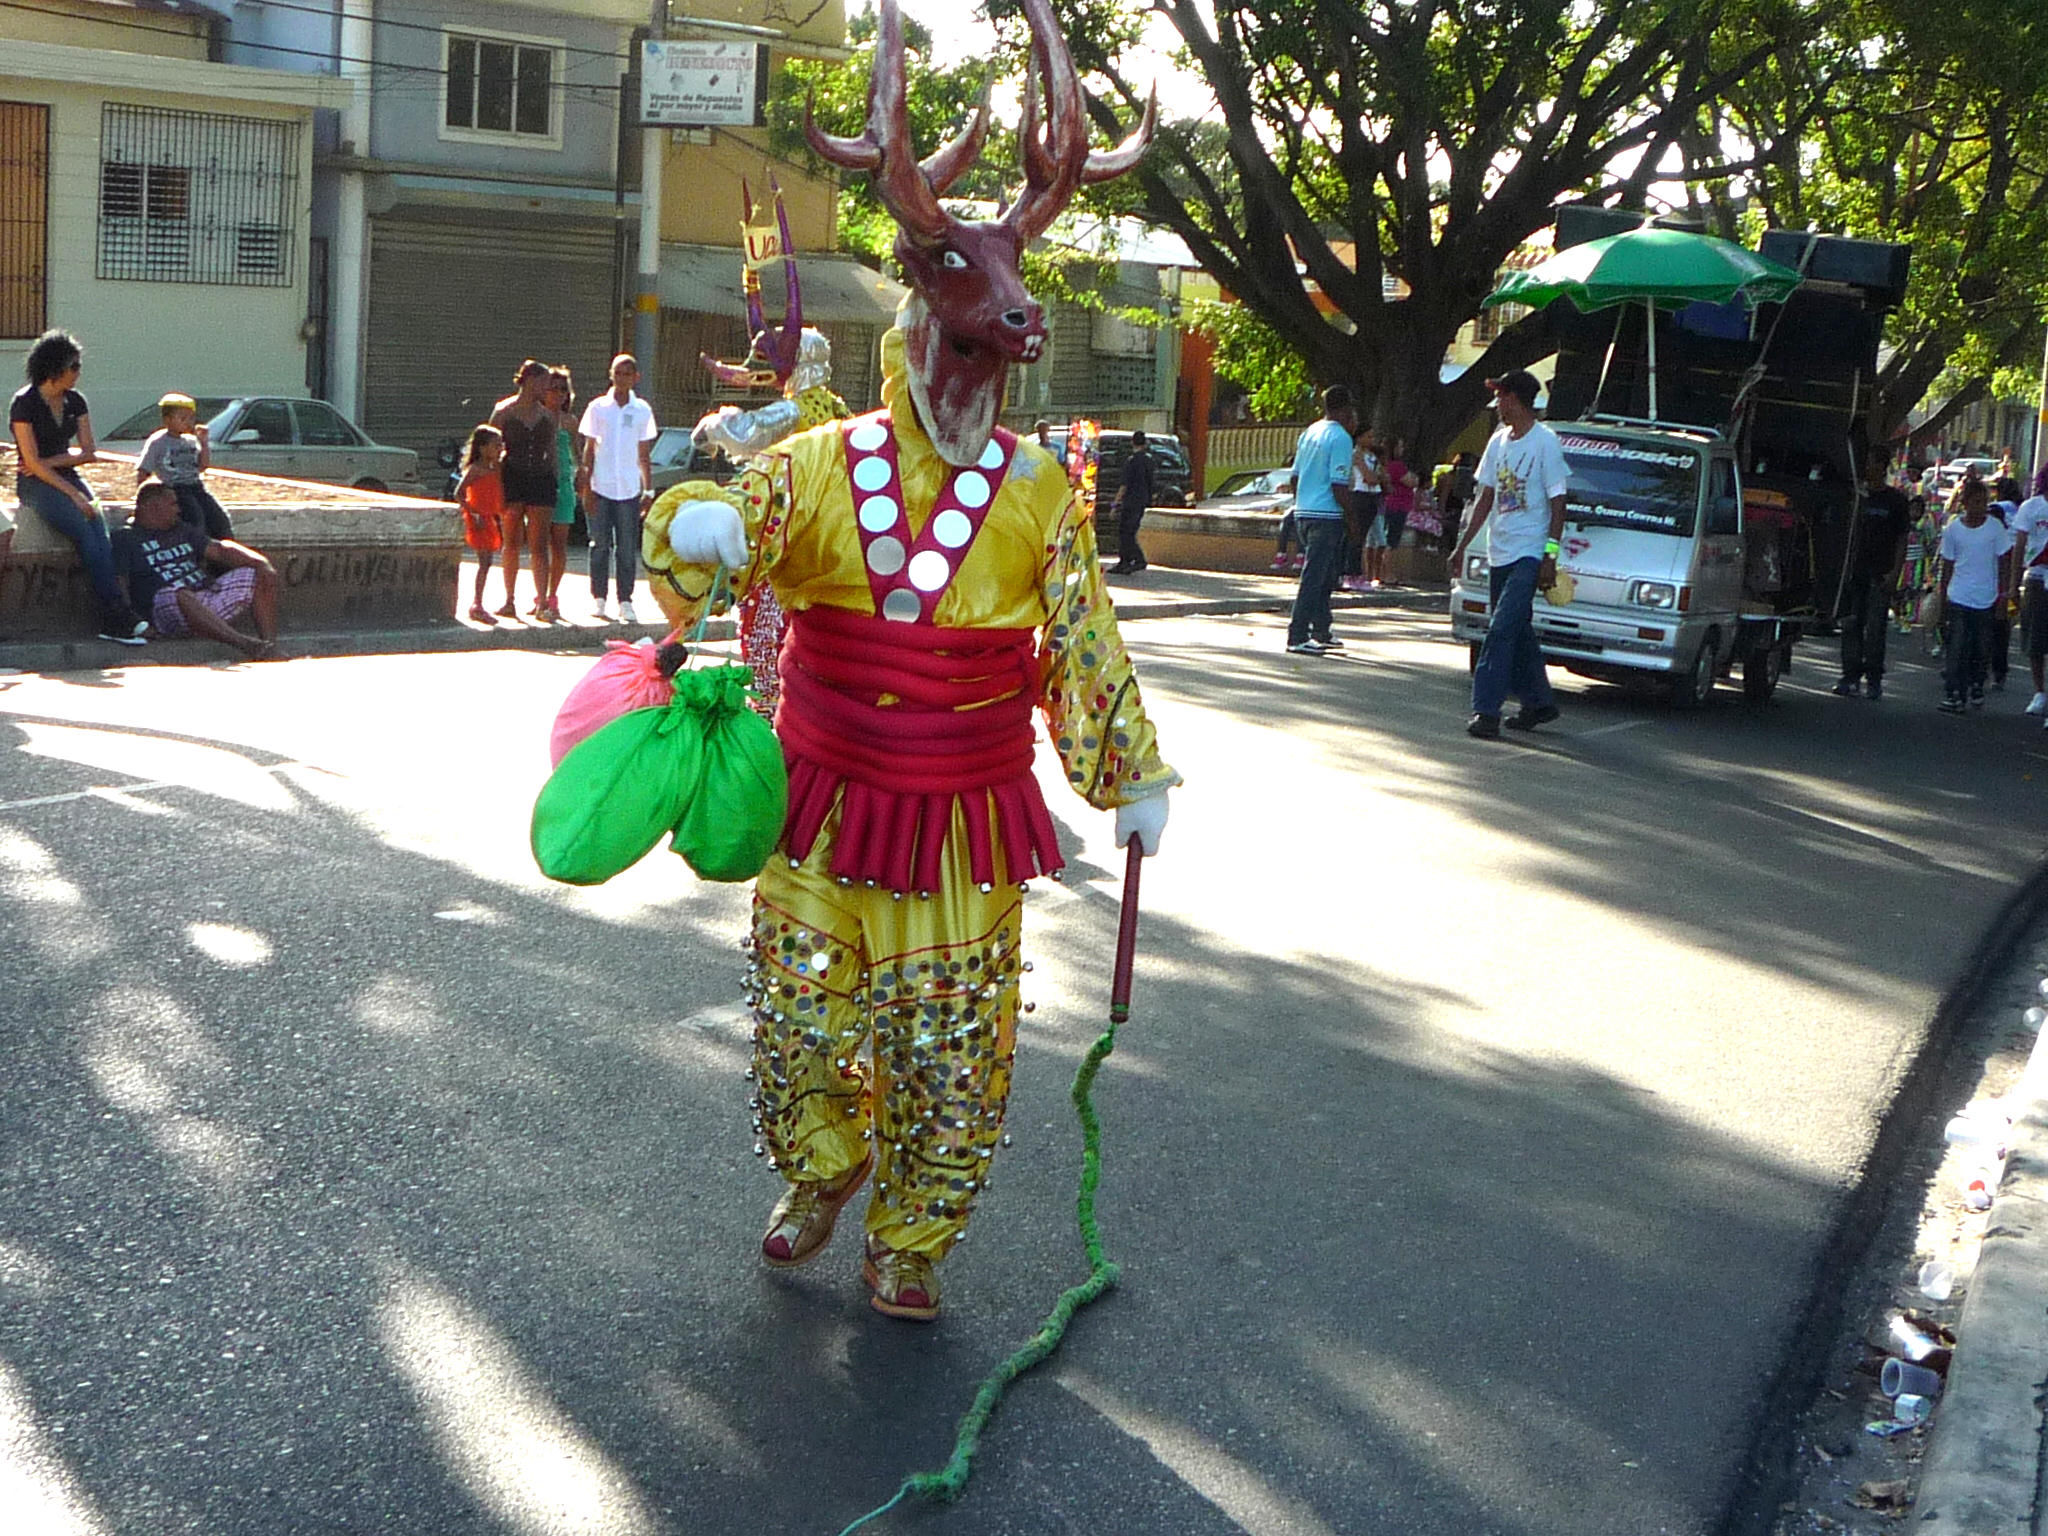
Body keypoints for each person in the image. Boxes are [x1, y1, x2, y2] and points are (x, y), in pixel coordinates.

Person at [640, 0, 1173, 1322]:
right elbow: (734, 534)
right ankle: (822, 1171)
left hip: (970, 821)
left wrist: (1126, 773)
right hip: (818, 802)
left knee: (955, 1045)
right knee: (803, 1021)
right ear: (928, 293)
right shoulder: (823, 464)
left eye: (1011, 278)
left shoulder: (1044, 487)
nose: (1008, 301)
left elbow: (1079, 639)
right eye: (967, 277)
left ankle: (913, 1242)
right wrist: (701, 528)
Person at [8, 329, 148, 644]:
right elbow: (31, 467)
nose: (78, 373)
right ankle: (115, 611)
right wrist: (70, 491)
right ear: (54, 368)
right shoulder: (25, 403)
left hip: (60, 473)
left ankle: (116, 613)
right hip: (35, 485)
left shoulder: (75, 401)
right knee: (83, 527)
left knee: (99, 528)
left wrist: (50, 462)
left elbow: (88, 452)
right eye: (74, 366)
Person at [1451, 369, 1571, 738]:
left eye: (1502, 397)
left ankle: (1486, 711)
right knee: (1517, 630)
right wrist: (1462, 545)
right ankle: (1539, 702)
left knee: (1500, 629)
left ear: (1518, 399)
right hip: (1499, 551)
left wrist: (1549, 555)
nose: (1498, 404)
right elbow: (1484, 498)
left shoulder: (1545, 443)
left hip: (1530, 552)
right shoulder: (1498, 442)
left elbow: (1558, 502)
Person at [117, 478, 281, 658]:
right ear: (153, 507)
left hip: (203, 598)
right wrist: (134, 622)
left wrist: (261, 563)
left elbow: (219, 550)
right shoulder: (125, 538)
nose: (178, 510)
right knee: (179, 592)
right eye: (172, 504)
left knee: (258, 573)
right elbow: (120, 582)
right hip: (164, 608)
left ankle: (269, 646)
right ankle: (244, 643)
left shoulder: (180, 529)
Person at [577, 353, 657, 625]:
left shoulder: (642, 410)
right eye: (617, 373)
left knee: (626, 548)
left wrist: (648, 491)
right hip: (601, 486)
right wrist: (586, 486)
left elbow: (644, 454)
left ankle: (625, 600)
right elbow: (589, 449)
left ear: (636, 377)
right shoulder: (598, 408)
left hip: (629, 490)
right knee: (599, 545)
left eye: (627, 373)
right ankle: (599, 598)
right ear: (610, 375)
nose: (622, 378)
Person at [1284, 386, 1359, 655]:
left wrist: (1299, 503)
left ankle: (1322, 629)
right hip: (1326, 514)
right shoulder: (1340, 438)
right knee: (1315, 576)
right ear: (1346, 409)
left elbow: (1294, 477)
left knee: (1326, 574)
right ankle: (1297, 634)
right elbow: (1339, 485)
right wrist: (1352, 521)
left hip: (1304, 511)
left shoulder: (1310, 432)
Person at [1833, 450, 1912, 700]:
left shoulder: (1896, 501)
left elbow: (1902, 539)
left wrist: (1895, 573)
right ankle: (1850, 676)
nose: (1868, 468)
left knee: (1875, 628)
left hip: (1881, 572)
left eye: (1872, 463)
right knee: (1851, 624)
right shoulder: (1857, 497)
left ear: (1882, 465)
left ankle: (1874, 679)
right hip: (1855, 570)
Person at [490, 359, 561, 619]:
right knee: (511, 540)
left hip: (541, 479)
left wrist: (557, 480)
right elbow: (491, 449)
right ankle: (509, 600)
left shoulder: (547, 416)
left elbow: (552, 453)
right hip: (511, 476)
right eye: (543, 382)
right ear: (529, 380)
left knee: (539, 543)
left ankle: (542, 602)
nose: (547, 388)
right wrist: (494, 483)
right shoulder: (504, 411)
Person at [1936, 476, 2013, 713]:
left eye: (1984, 502)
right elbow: (1947, 565)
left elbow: (2004, 562)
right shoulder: (1953, 530)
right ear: (1965, 503)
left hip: (1986, 598)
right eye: (1976, 502)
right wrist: (1942, 599)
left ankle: (1977, 682)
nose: (1980, 508)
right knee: (1956, 646)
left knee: (1981, 647)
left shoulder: (1995, 529)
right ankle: (1953, 693)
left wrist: (2003, 596)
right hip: (1959, 596)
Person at [135, 393, 233, 540]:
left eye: (191, 418)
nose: (189, 422)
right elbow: (144, 470)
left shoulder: (191, 441)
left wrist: (204, 443)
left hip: (196, 486)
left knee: (219, 517)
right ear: (167, 420)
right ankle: (198, 551)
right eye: (183, 418)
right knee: (195, 517)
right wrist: (142, 500)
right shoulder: (158, 442)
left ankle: (226, 547)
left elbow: (202, 466)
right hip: (175, 489)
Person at [540, 368, 582, 623]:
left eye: (562, 389)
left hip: (564, 485)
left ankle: (553, 594)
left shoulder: (570, 421)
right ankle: (540, 595)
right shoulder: (538, 417)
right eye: (553, 388)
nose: (558, 394)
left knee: (559, 543)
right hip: (541, 483)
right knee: (539, 543)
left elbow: (577, 452)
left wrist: (582, 474)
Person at [453, 424, 505, 625]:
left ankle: (478, 603)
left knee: (487, 561)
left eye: (500, 445)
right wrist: (472, 513)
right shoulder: (475, 469)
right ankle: (477, 604)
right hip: (478, 519)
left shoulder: (496, 468)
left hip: (490, 518)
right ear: (482, 448)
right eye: (495, 446)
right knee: (484, 562)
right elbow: (459, 493)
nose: (499, 449)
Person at [2011, 468, 2048, 720]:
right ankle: (2039, 692)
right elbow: (2020, 545)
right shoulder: (2031, 507)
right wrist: (2013, 583)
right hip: (2036, 576)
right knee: (2035, 638)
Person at [1107, 429, 1155, 574]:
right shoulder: (1149, 460)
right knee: (1129, 531)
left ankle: (1136, 559)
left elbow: (1124, 485)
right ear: (1145, 443)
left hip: (1130, 501)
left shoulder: (1131, 461)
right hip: (1142, 500)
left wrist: (1114, 505)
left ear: (1132, 442)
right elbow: (1151, 482)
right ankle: (1126, 562)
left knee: (1125, 532)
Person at [1377, 435, 1418, 586]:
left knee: (1389, 538)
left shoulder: (1386, 465)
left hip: (1395, 506)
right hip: (1397, 506)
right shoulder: (1396, 466)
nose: (1402, 450)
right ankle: (1387, 573)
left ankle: (1383, 572)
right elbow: (1411, 480)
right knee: (1391, 540)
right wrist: (1413, 478)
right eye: (1400, 447)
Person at [1343, 429, 1382, 591]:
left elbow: (1381, 477)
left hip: (1372, 496)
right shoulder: (1356, 455)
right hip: (1359, 495)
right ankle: (1350, 573)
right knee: (1355, 536)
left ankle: (1357, 573)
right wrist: (1376, 477)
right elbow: (1370, 477)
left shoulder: (1372, 457)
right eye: (1368, 436)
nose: (1371, 439)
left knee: (1363, 537)